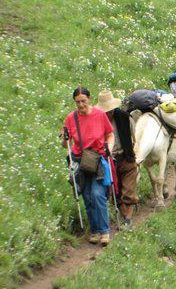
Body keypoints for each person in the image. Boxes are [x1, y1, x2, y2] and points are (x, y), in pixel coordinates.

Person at [62, 87, 114, 245]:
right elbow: (66, 144)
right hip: (79, 161)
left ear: (89, 99)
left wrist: (109, 148)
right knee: (88, 197)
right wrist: (64, 138)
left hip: (97, 159)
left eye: (83, 101)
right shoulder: (71, 118)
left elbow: (110, 134)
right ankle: (95, 231)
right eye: (77, 102)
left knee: (98, 194)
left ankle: (105, 232)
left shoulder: (100, 115)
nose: (81, 105)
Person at [95, 90, 138, 229]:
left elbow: (133, 137)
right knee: (115, 191)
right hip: (108, 161)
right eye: (106, 111)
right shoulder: (97, 121)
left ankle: (128, 218)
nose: (108, 113)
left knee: (129, 189)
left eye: (110, 110)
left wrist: (132, 152)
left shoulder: (125, 117)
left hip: (126, 156)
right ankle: (124, 215)